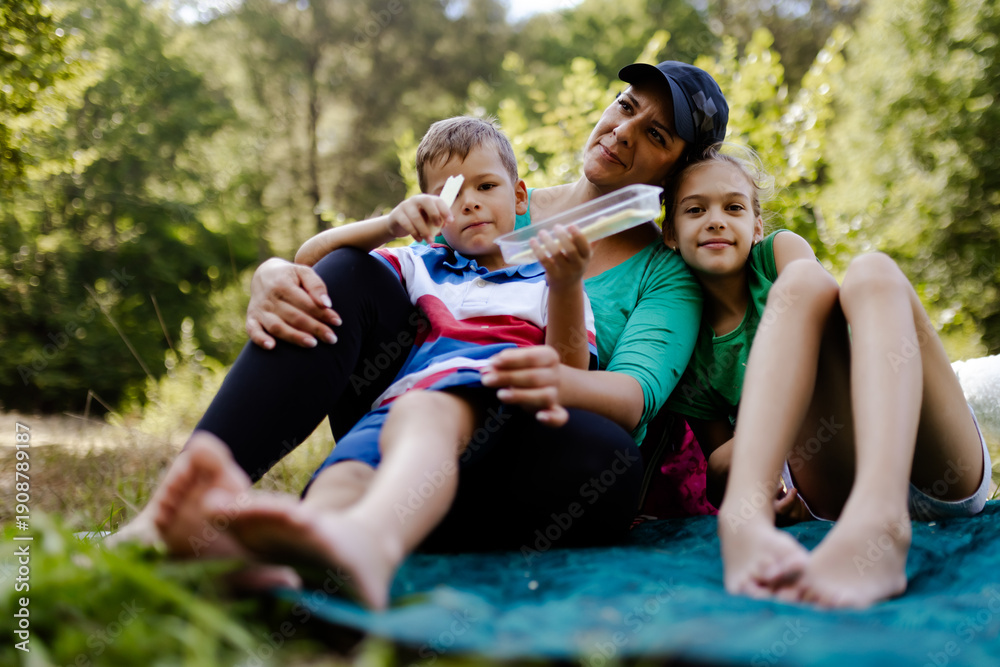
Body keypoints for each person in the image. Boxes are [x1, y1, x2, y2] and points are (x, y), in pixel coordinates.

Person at [117, 61, 729, 563]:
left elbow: (631, 397)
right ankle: (193, 497)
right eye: (627, 106)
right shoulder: (487, 197)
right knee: (348, 271)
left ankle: (348, 538)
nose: (624, 131)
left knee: (604, 454)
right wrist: (275, 273)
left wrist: (553, 335)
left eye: (656, 134)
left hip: (538, 459)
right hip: (400, 407)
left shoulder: (665, 274)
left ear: (679, 169)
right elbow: (355, 268)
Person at [156, 116, 599, 609]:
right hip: (397, 407)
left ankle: (373, 543)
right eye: (452, 194)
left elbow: (572, 373)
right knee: (344, 474)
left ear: (519, 197)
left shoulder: (550, 277)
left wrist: (566, 285)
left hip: (496, 403)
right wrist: (390, 224)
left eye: (486, 185)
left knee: (423, 412)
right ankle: (301, 560)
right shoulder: (423, 263)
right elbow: (320, 260)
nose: (471, 201)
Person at [662, 145, 992, 609]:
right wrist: (774, 471)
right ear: (670, 233)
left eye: (734, 207)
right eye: (695, 210)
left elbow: (821, 308)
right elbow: (717, 464)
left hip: (932, 460)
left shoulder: (778, 254)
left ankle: (882, 516)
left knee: (862, 272)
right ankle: (747, 517)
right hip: (837, 483)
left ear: (757, 226)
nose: (716, 220)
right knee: (806, 287)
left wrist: (771, 432)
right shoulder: (683, 332)